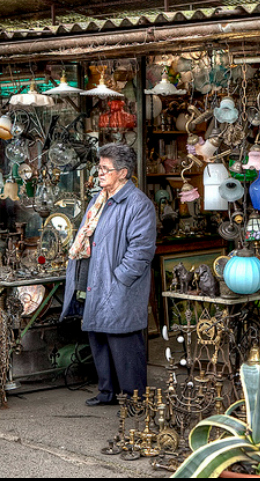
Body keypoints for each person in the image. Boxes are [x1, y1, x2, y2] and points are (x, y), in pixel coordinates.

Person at [59, 143, 157, 406]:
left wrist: (120, 279)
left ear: (123, 173)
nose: (99, 173)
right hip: (96, 279)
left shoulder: (138, 204)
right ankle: (108, 392)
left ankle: (135, 396)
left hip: (118, 283)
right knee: (100, 338)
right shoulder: (98, 200)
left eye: (105, 169)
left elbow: (141, 250)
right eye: (99, 167)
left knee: (123, 341)